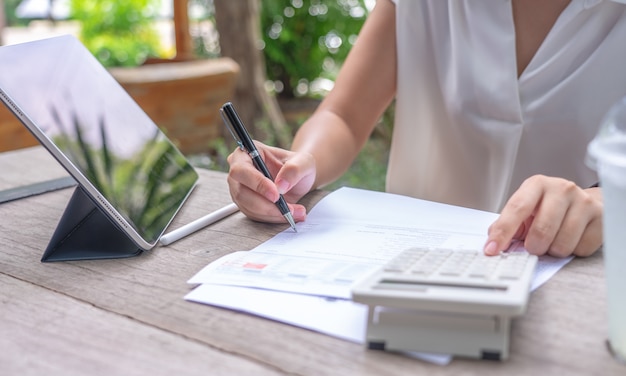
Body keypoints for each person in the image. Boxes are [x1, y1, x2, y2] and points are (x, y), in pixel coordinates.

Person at [226, 0, 626, 258]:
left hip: (572, 280)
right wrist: (301, 163)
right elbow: (343, 115)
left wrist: (609, 202)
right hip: (407, 262)